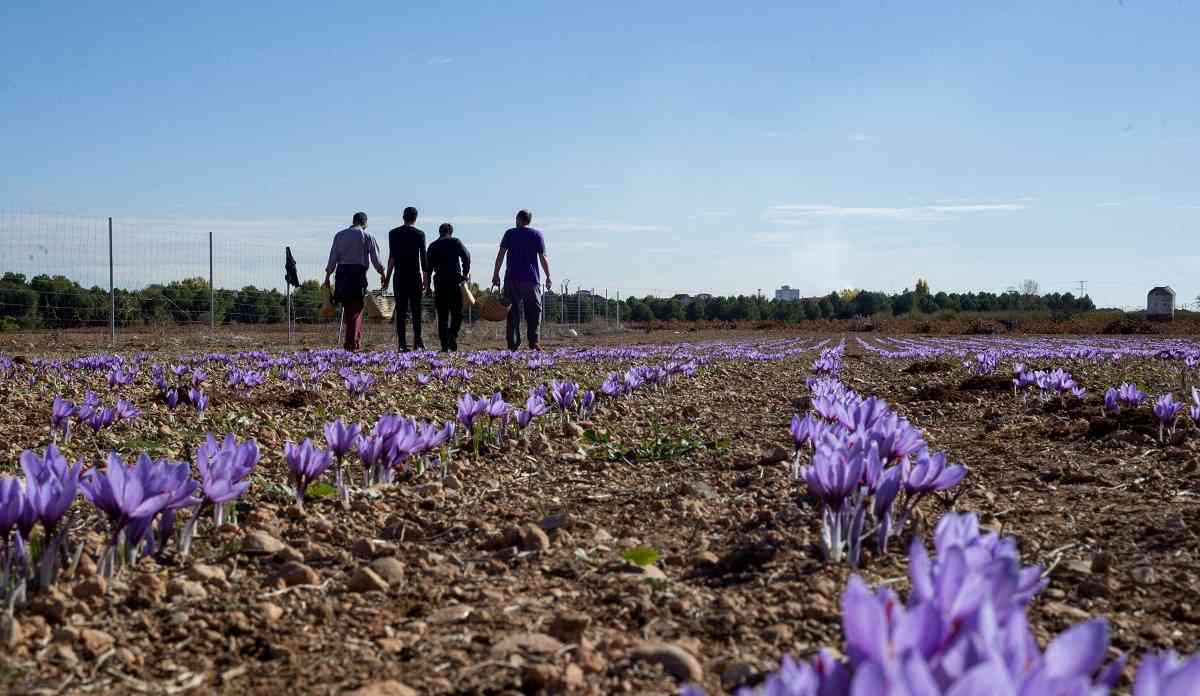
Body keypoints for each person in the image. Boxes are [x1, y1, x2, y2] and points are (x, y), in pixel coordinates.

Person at [491, 209, 552, 351]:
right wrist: (548, 276)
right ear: (529, 221)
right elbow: (543, 257)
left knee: (512, 312)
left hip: (512, 278)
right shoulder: (537, 235)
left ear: (518, 219)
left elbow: (500, 254)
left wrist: (496, 274)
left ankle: (513, 344)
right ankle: (534, 342)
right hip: (531, 279)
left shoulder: (510, 233)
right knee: (534, 311)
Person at [324, 212, 385, 352]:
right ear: (365, 223)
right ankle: (351, 344)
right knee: (356, 309)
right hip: (357, 274)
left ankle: (355, 342)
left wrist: (327, 276)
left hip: (341, 274)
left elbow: (333, 257)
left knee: (348, 308)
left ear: (353, 221)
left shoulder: (339, 235)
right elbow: (376, 259)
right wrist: (382, 273)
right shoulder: (367, 236)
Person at [382, 207, 429, 352]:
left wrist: (387, 279)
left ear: (403, 217)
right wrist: (425, 279)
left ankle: (402, 344)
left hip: (399, 276)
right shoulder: (420, 234)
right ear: (416, 218)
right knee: (416, 310)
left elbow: (392, 258)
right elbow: (423, 258)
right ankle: (418, 340)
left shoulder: (393, 233)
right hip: (414, 276)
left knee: (401, 311)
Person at [427, 223, 471, 352]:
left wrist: (428, 285)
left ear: (439, 232)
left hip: (439, 282)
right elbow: (466, 256)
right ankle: (452, 333)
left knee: (442, 315)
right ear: (450, 232)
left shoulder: (433, 246)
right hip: (454, 281)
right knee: (457, 313)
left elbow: (428, 268)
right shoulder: (455, 242)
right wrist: (465, 273)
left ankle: (444, 346)